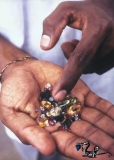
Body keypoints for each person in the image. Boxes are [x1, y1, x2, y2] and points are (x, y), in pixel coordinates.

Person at [0, 0, 114, 160]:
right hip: (20, 88)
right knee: (41, 145)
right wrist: (10, 63)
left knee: (101, 142)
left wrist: (109, 6)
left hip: (102, 66)